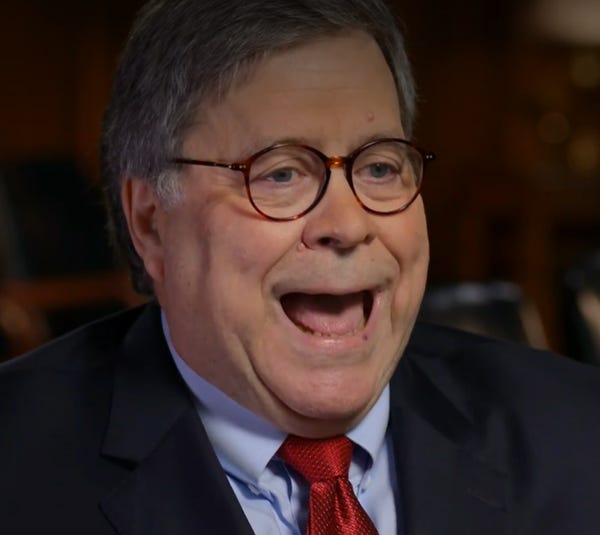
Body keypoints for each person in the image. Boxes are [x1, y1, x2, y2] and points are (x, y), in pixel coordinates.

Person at [1, 0, 600, 533]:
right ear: (152, 222)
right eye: (280, 173)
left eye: (380, 167)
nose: (348, 224)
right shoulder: (18, 465)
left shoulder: (578, 431)